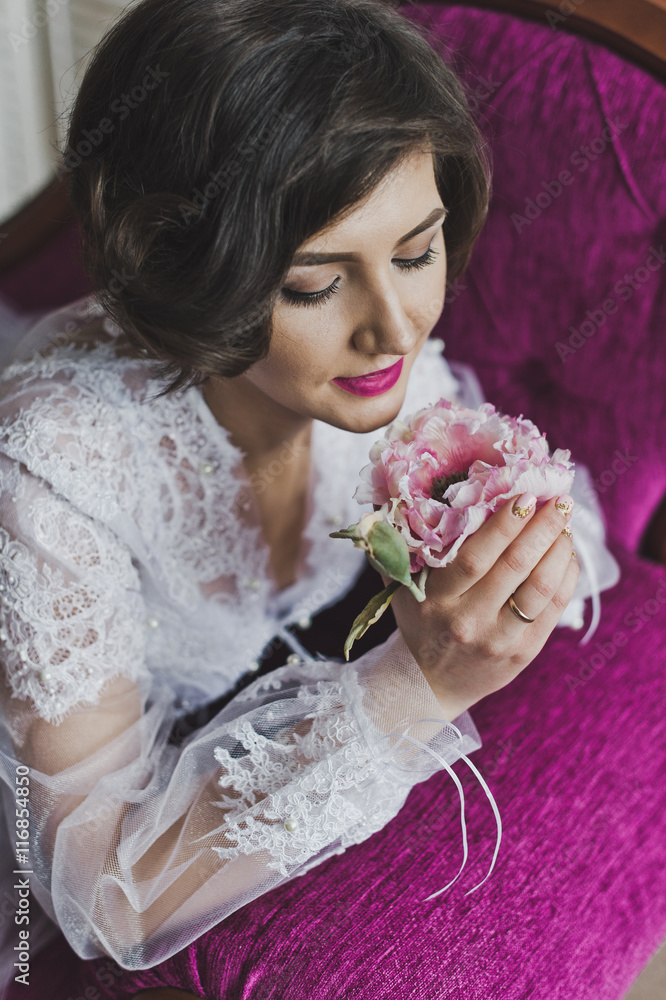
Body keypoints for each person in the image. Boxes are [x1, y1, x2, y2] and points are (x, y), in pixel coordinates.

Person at [0, 0, 620, 996]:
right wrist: (415, 690)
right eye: (313, 285)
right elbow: (101, 892)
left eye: (415, 253)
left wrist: (517, 557)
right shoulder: (56, 468)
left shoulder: (375, 371)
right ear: (188, 268)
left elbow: (572, 525)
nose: (394, 329)